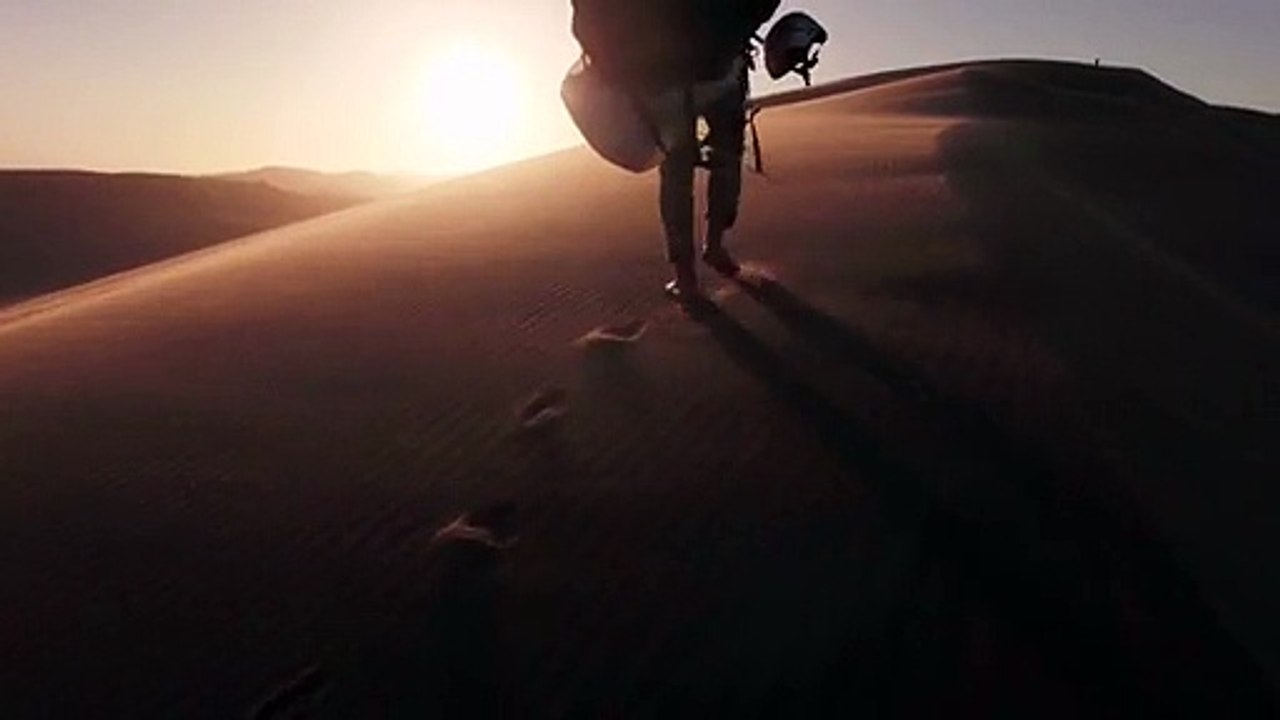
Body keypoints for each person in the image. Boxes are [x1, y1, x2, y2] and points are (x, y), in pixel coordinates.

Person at [570, 0, 781, 303]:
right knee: (725, 159)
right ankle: (715, 248)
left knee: (678, 175)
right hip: (718, 69)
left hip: (663, 82)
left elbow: (589, 22)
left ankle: (686, 277)